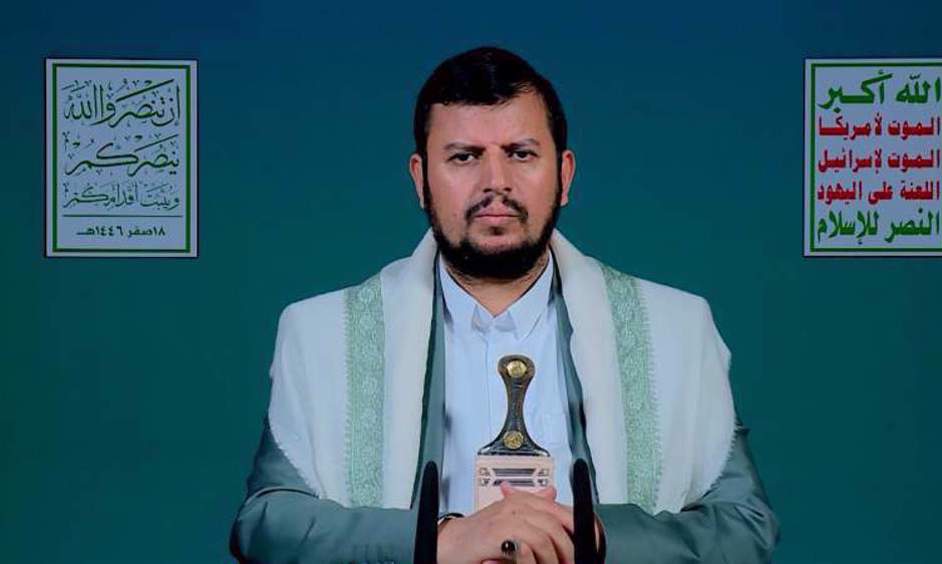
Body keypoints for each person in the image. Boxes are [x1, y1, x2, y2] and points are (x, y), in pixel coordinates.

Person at [230, 46, 779, 564]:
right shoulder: (323, 333)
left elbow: (743, 526)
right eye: (464, 157)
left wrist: (604, 539)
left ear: (563, 176)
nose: (496, 183)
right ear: (421, 179)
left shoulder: (674, 328)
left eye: (520, 154)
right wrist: (437, 540)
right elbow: (266, 524)